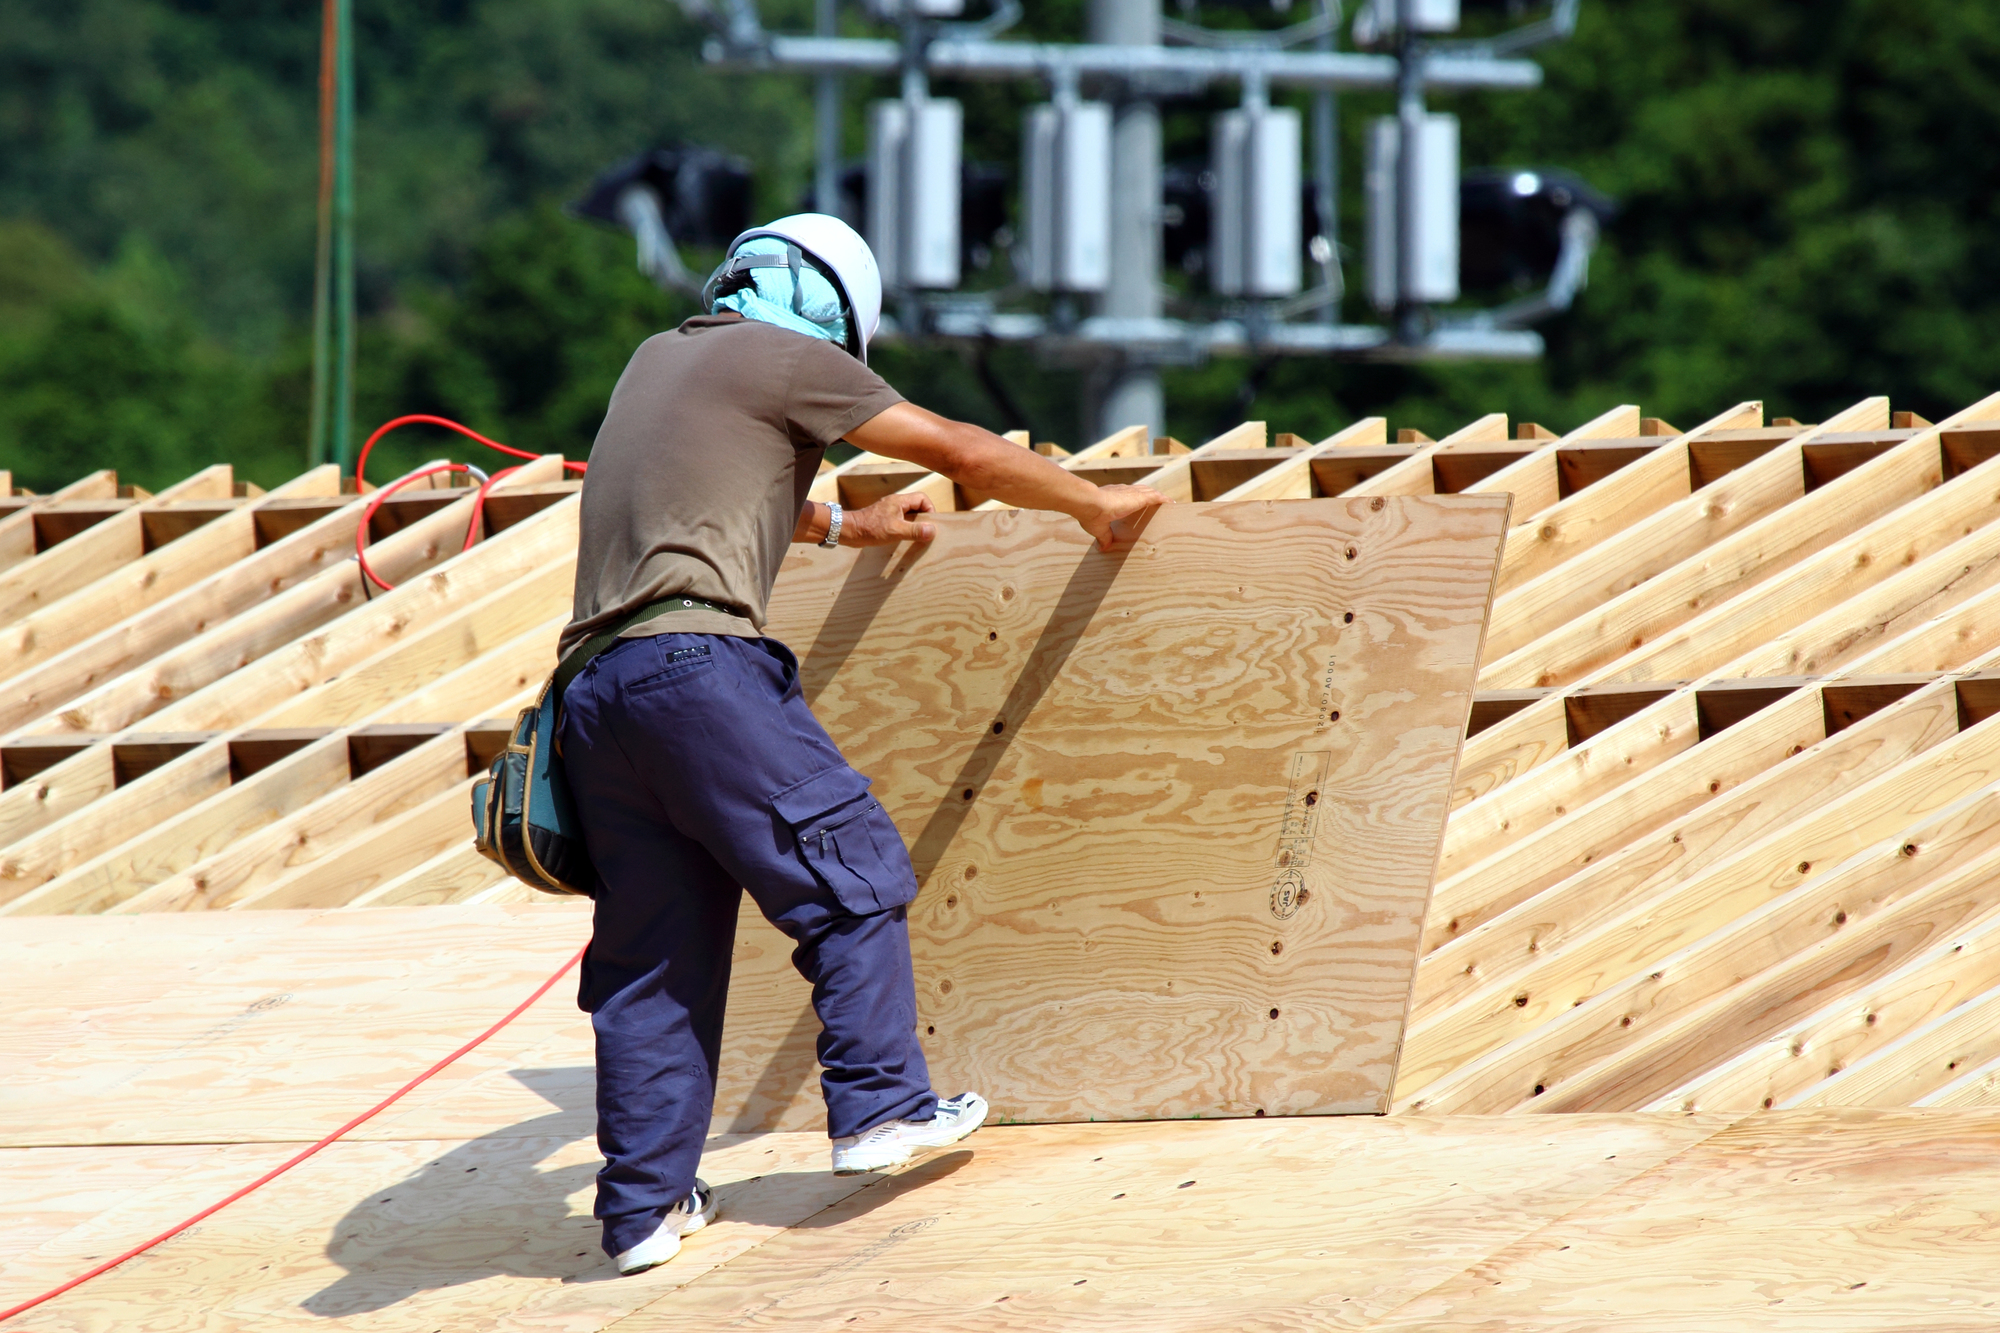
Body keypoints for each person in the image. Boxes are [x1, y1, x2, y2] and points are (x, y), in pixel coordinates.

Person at [557, 213, 1168, 1276]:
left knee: (654, 961)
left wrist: (848, 529)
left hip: (591, 700)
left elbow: (721, 489)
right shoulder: (784, 356)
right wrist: (1091, 505)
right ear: (830, 312)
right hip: (695, 668)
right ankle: (881, 1106)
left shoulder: (661, 361)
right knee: (846, 868)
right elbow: (959, 451)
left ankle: (642, 1212)